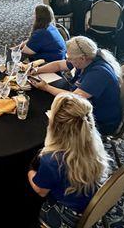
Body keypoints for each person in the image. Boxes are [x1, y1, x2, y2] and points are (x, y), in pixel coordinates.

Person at [28, 94, 110, 227]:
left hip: (67, 214)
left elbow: (40, 191)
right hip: (90, 199)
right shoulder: (94, 139)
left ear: (56, 125)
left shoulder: (53, 160)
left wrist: (30, 171)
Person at [30, 36, 122, 135]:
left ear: (82, 58)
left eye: (70, 58)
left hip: (100, 121)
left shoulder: (99, 73)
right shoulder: (87, 60)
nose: (68, 60)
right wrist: (37, 70)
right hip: (87, 107)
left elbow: (73, 97)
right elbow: (59, 65)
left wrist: (46, 87)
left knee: (46, 125)